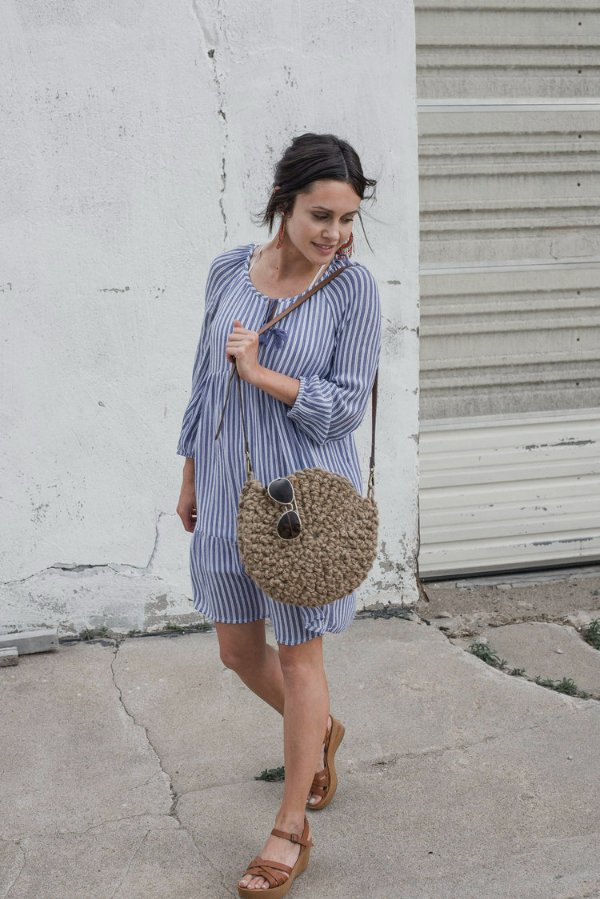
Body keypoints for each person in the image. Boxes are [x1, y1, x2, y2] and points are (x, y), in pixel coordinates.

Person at [175, 132, 381, 897]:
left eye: (348, 218)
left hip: (305, 507)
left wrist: (262, 371)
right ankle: (320, 732)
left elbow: (344, 408)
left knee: (301, 661)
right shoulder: (230, 270)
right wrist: (192, 470)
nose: (334, 234)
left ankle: (291, 825)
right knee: (237, 652)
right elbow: (204, 382)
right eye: (320, 215)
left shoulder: (352, 291)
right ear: (283, 205)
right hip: (228, 489)